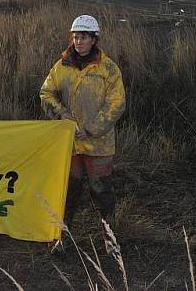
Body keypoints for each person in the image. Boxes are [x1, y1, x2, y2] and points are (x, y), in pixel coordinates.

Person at [40, 14, 126, 248]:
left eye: (84, 37)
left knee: (102, 192)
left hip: (99, 143)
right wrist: (62, 115)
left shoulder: (108, 68)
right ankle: (62, 238)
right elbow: (46, 93)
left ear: (94, 39)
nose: (79, 41)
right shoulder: (63, 65)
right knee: (68, 192)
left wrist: (90, 129)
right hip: (71, 144)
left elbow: (116, 103)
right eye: (76, 37)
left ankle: (110, 240)